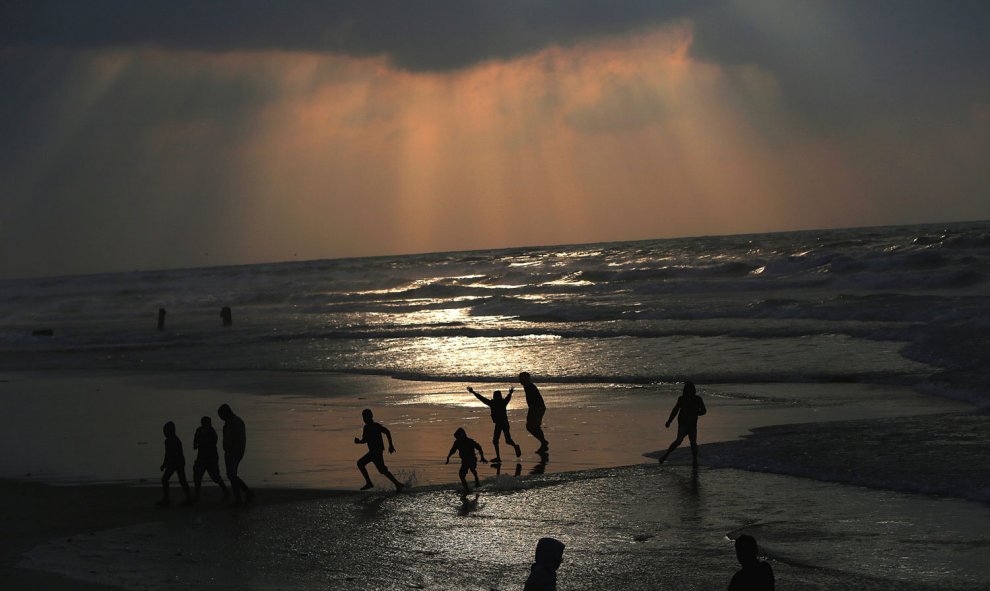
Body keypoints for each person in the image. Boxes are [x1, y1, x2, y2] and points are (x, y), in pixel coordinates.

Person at [657, 380, 707, 466]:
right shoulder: (682, 399)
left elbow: (704, 411)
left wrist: (696, 413)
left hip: (692, 424)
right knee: (680, 441)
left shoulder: (697, 399)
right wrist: (669, 421)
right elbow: (675, 410)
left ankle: (694, 460)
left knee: (691, 443)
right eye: (688, 389)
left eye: (690, 389)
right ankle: (665, 456)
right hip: (683, 424)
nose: (689, 391)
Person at [354, 408, 404, 492]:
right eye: (363, 417)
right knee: (381, 470)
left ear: (370, 417)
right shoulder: (372, 426)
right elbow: (365, 440)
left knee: (362, 464)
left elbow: (387, 432)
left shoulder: (372, 427)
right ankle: (397, 484)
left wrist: (391, 445)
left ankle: (396, 484)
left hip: (375, 452)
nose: (364, 419)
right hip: (375, 452)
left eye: (365, 417)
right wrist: (359, 441)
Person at [468, 386, 522, 462]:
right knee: (507, 440)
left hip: (499, 424)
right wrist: (510, 393)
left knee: (496, 440)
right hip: (505, 423)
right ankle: (514, 446)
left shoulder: (492, 403)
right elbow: (508, 398)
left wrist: (473, 392)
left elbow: (482, 398)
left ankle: (499, 457)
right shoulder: (503, 402)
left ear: (494, 396)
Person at [217, 403, 253, 506]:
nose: (221, 418)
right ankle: (239, 497)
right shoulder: (234, 421)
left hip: (233, 452)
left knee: (231, 475)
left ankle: (246, 493)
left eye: (221, 415)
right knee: (232, 475)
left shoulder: (233, 422)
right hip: (235, 452)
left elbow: (235, 439)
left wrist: (232, 450)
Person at [192, 416, 229, 502]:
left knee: (215, 476)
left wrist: (201, 442)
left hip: (211, 457)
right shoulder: (199, 431)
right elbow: (195, 444)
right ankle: (197, 496)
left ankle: (226, 491)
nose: (208, 424)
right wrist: (198, 444)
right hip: (202, 457)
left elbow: (213, 442)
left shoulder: (212, 431)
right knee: (198, 476)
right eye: (206, 423)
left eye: (208, 423)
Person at [157, 421, 193, 507]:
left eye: (166, 431)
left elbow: (175, 454)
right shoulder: (168, 441)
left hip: (178, 462)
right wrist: (164, 464)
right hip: (174, 463)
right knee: (167, 479)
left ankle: (187, 499)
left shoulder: (176, 441)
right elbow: (167, 454)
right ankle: (167, 499)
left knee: (181, 480)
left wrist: (167, 464)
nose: (165, 433)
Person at [445, 427, 488, 492]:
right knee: (461, 474)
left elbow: (479, 447)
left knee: (472, 469)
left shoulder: (470, 441)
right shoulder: (457, 442)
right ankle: (466, 488)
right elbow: (453, 450)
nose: (457, 439)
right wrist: (448, 457)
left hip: (472, 459)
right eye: (456, 438)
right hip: (464, 461)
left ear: (462, 435)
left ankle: (476, 480)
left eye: (458, 437)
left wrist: (482, 457)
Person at [518, 372, 549, 452]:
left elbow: (533, 399)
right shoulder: (527, 385)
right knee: (534, 427)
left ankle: (543, 443)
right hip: (537, 407)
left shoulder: (529, 386)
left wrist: (532, 410)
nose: (519, 380)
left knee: (531, 427)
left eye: (521, 378)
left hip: (537, 408)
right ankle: (543, 443)